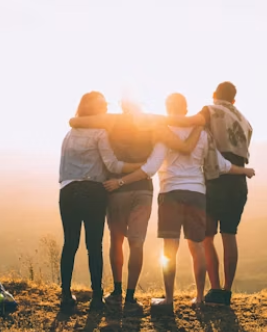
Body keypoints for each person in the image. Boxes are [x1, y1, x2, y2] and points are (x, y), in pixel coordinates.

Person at [103, 93, 255, 312]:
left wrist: (120, 181)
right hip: (197, 194)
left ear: (167, 108)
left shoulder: (164, 131)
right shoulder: (202, 133)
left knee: (169, 249)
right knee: (197, 247)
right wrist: (244, 170)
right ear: (186, 109)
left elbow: (151, 167)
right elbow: (220, 164)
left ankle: (169, 300)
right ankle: (200, 299)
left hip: (170, 193)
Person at [69, 98, 202, 312]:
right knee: (137, 243)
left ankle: (116, 292)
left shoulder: (110, 121)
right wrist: (199, 121)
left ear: (123, 105)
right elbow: (184, 143)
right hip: (142, 189)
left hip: (116, 189)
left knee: (116, 240)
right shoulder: (153, 122)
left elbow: (74, 121)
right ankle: (130, 298)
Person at [156, 82, 253, 306]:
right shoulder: (245, 121)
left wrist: (157, 121)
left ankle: (214, 290)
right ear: (234, 100)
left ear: (213, 95)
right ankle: (226, 292)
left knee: (205, 238)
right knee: (230, 234)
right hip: (237, 181)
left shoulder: (210, 110)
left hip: (215, 179)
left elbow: (189, 122)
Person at [58, 91, 142, 310]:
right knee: (94, 246)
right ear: (95, 110)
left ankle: (66, 296)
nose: (106, 108)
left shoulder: (70, 134)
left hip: (68, 191)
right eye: (102, 105)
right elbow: (113, 166)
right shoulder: (100, 133)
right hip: (93, 191)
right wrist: (140, 167)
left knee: (70, 244)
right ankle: (97, 298)